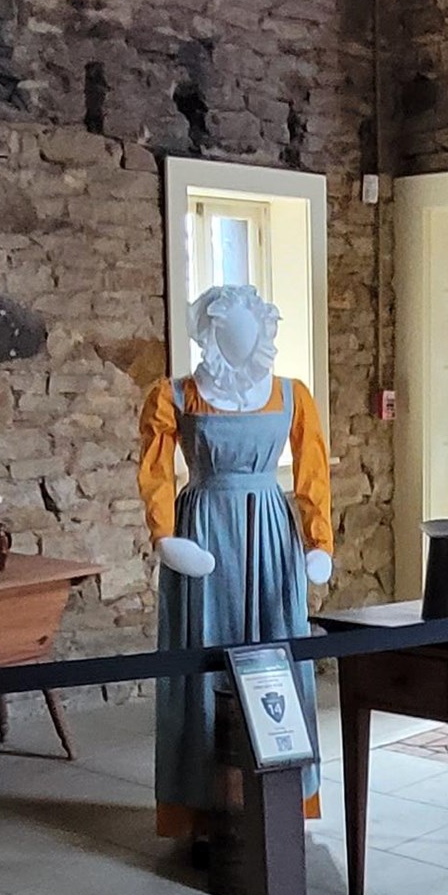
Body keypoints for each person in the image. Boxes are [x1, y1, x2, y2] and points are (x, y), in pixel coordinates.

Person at [137, 283, 333, 843]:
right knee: (204, 658)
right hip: (202, 534)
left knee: (277, 654)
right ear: (210, 334)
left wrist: (319, 542)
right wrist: (164, 537)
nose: (241, 341)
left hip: (270, 533)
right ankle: (202, 805)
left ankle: (282, 796)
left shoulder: (291, 395)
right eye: (228, 332)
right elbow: (154, 470)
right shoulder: (174, 396)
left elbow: (313, 472)